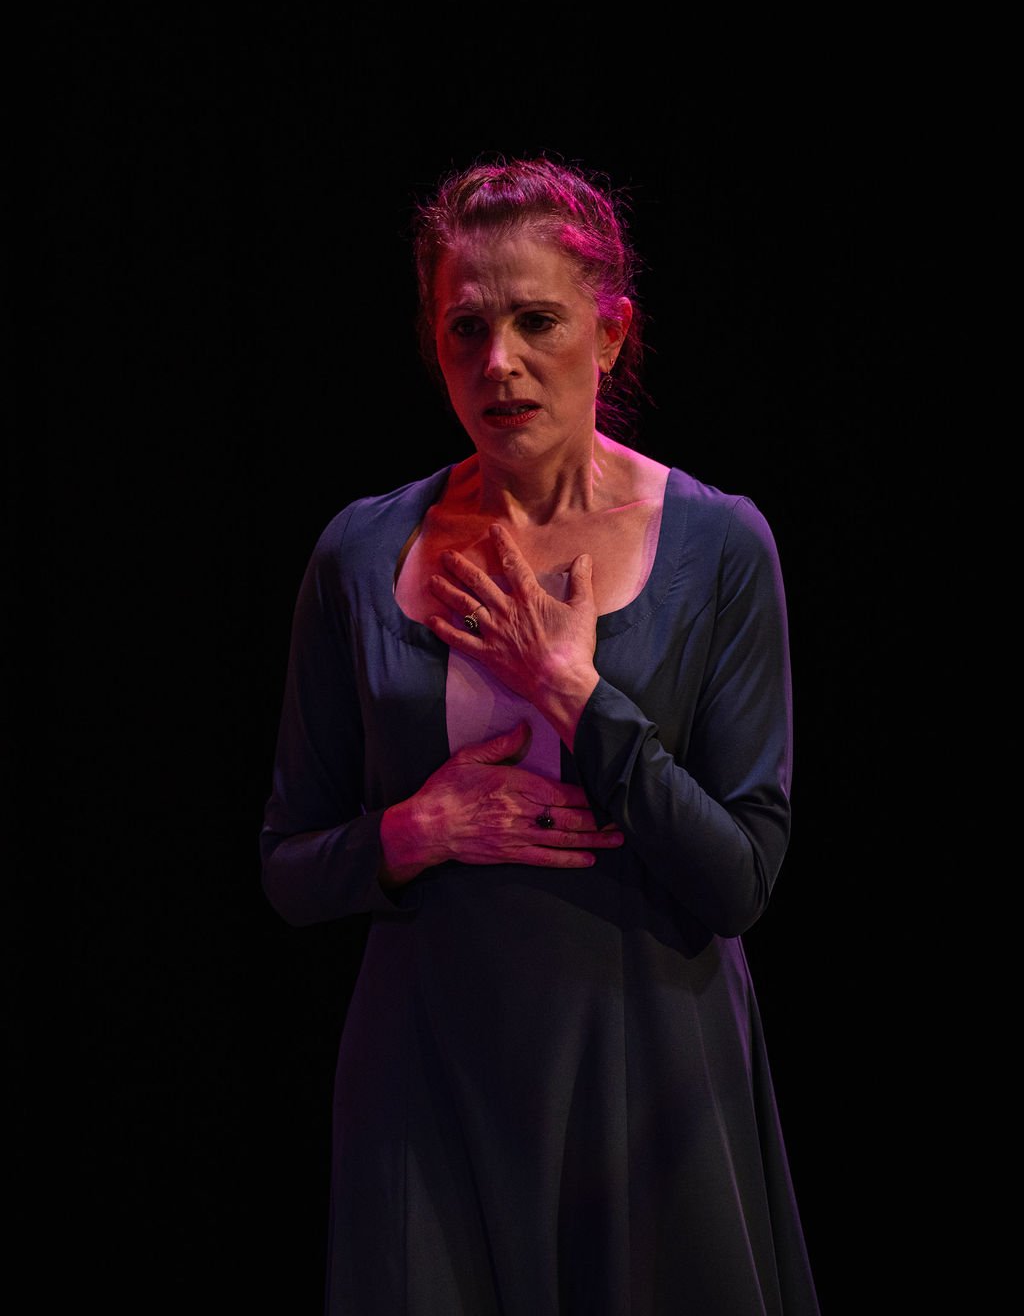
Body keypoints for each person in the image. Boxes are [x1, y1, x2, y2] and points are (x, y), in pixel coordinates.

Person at [260, 156, 821, 1315]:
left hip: (650, 1074)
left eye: (536, 322)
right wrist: (414, 831)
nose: (498, 362)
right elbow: (287, 864)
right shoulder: (359, 553)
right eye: (465, 328)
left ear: (610, 334)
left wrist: (572, 692)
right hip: (428, 1081)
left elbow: (740, 877)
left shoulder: (719, 544)